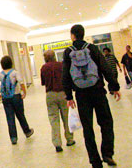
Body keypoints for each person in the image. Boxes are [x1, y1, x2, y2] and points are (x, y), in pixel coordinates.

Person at [62, 25, 121, 168]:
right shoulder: (92, 48)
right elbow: (105, 67)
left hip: (81, 95)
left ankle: (95, 161)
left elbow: (65, 75)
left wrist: (69, 96)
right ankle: (107, 154)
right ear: (83, 34)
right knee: (106, 122)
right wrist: (114, 86)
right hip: (98, 91)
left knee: (88, 129)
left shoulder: (68, 52)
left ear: (72, 36)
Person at [0, 56, 34, 145]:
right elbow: (21, 82)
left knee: (10, 118)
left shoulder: (0, 74)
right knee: (20, 115)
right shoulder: (14, 73)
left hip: (6, 99)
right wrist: (24, 92)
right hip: (16, 97)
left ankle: (13, 138)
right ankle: (27, 132)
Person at [41, 50, 75, 152]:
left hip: (50, 94)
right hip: (63, 93)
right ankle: (69, 139)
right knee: (66, 117)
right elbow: (68, 78)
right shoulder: (61, 65)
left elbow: (43, 83)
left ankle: (57, 144)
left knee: (53, 119)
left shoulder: (43, 68)